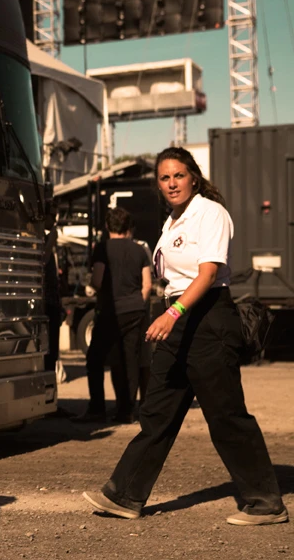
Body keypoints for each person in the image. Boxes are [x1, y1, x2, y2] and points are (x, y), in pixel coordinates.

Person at [83, 146, 287, 526]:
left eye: (178, 175)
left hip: (207, 319)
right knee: (157, 412)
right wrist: (170, 312)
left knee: (225, 415)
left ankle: (266, 502)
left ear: (193, 177)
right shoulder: (172, 221)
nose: (172, 183)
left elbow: (207, 274)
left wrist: (173, 313)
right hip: (178, 320)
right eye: (165, 178)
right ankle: (125, 495)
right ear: (158, 185)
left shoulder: (210, 213)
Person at [76, 207, 151, 423]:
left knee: (95, 359)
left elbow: (98, 280)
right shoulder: (140, 250)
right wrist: (137, 303)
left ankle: (97, 408)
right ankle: (126, 411)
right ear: (128, 227)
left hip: (111, 311)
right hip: (135, 311)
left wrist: (92, 287)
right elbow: (147, 285)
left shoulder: (102, 248)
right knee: (130, 360)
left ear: (107, 226)